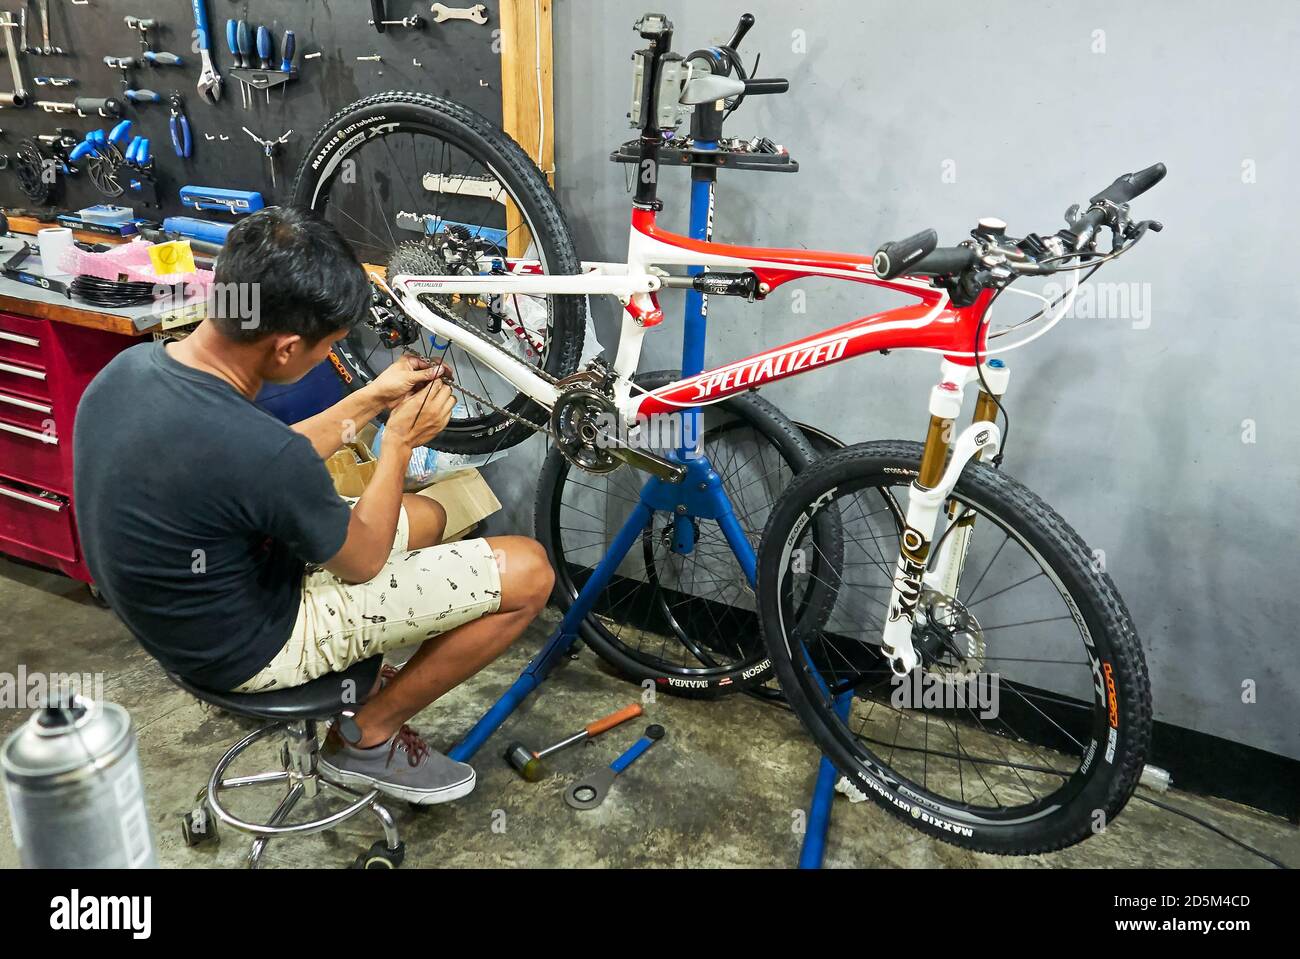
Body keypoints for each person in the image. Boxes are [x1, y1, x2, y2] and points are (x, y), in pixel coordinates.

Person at [74, 206, 553, 805]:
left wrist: (372, 399)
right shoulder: (263, 453)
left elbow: (257, 461)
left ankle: (371, 677)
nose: (331, 356)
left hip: (179, 618)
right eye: (328, 347)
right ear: (287, 348)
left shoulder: (131, 370)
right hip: (248, 648)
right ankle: (366, 737)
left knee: (429, 517)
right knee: (530, 570)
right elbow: (364, 562)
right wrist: (399, 443)